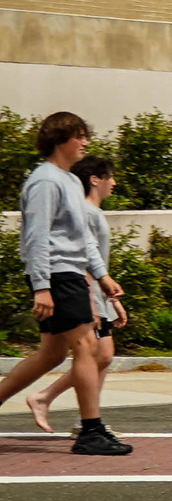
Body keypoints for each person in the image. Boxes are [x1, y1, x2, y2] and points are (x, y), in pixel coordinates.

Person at [0, 113, 129, 454]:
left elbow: (82, 237)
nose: (85, 142)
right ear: (60, 139)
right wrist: (41, 285)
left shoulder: (71, 181)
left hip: (70, 271)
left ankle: (90, 429)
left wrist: (101, 276)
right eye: (79, 136)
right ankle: (90, 431)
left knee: (52, 353)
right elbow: (37, 237)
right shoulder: (45, 182)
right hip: (57, 272)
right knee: (87, 346)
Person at [26, 155, 120, 434]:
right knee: (95, 354)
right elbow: (82, 256)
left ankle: (76, 413)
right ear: (94, 179)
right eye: (110, 177)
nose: (113, 183)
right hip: (81, 290)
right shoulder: (86, 211)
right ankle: (53, 402)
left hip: (93, 294)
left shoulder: (91, 212)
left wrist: (111, 301)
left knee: (89, 354)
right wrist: (93, 300)